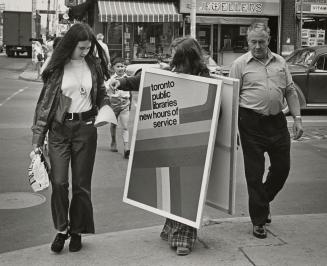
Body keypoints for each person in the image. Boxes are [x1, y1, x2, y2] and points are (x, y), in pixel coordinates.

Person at [109, 36, 210, 256]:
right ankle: (174, 229)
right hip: (171, 138)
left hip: (193, 139)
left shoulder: (204, 78)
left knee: (188, 186)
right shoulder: (172, 73)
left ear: (187, 58)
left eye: (176, 57)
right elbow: (144, 80)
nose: (172, 61)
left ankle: (184, 236)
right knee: (175, 185)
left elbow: (215, 107)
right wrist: (123, 82)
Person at [31, 23, 110, 253]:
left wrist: (105, 108)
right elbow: (45, 106)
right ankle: (61, 229)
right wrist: (37, 142)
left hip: (86, 128)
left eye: (88, 48)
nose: (85, 52)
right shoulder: (57, 67)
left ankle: (76, 231)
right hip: (59, 130)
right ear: (71, 45)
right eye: (81, 48)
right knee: (59, 182)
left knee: (81, 186)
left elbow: (102, 93)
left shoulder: (94, 65)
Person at [229, 22, 303, 239]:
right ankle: (259, 220)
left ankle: (262, 201)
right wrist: (232, 128)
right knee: (254, 173)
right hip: (250, 123)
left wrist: (297, 118)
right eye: (253, 42)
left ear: (268, 40)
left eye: (262, 41)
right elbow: (231, 97)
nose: (258, 46)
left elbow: (290, 90)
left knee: (282, 169)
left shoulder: (280, 61)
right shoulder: (240, 64)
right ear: (248, 41)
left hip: (277, 122)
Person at [105, 57, 132, 158]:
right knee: (113, 125)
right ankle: (113, 141)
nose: (120, 68)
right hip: (113, 105)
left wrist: (129, 104)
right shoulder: (111, 79)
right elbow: (106, 90)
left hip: (125, 105)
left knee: (125, 127)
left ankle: (126, 149)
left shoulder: (128, 79)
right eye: (118, 66)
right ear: (113, 68)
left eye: (122, 66)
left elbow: (131, 92)